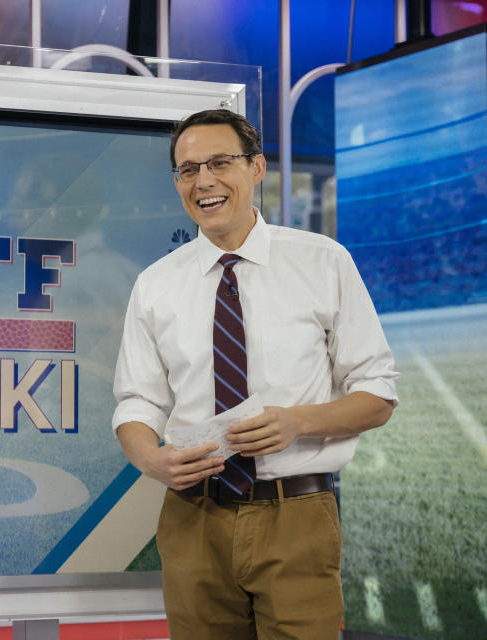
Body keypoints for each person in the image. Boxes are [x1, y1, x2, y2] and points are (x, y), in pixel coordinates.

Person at [111, 109, 398, 640]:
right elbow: (135, 403)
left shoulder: (323, 262)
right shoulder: (155, 285)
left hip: (296, 515)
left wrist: (297, 423)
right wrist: (152, 460)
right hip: (192, 516)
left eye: (220, 162)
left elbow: (377, 394)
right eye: (188, 169)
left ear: (257, 167)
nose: (204, 181)